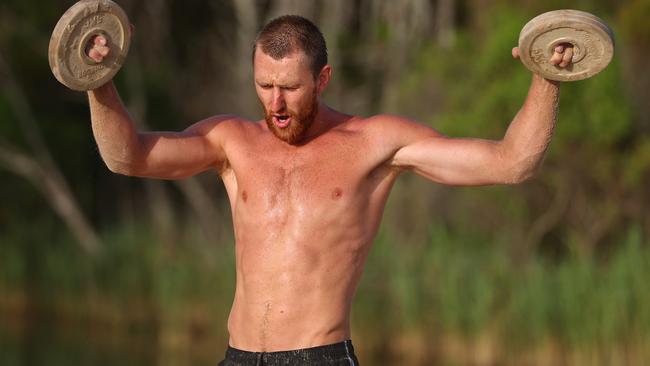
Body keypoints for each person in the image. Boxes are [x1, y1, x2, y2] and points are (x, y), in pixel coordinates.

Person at [86, 14, 574, 366]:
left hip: (319, 357)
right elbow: (125, 156)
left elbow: (511, 163)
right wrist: (98, 81)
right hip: (237, 356)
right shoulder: (230, 141)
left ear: (323, 79)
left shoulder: (376, 143)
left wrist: (546, 80)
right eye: (264, 85)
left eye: (290, 89)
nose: (275, 103)